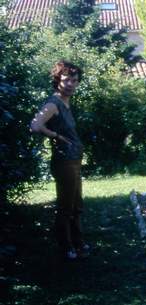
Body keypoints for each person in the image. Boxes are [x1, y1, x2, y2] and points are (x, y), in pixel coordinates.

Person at [30, 60, 89, 260]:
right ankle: (66, 247)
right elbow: (35, 125)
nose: (71, 84)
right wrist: (55, 136)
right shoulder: (53, 103)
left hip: (74, 160)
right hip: (64, 162)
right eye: (66, 80)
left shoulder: (65, 102)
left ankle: (78, 243)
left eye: (74, 80)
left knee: (76, 205)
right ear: (58, 80)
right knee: (66, 207)